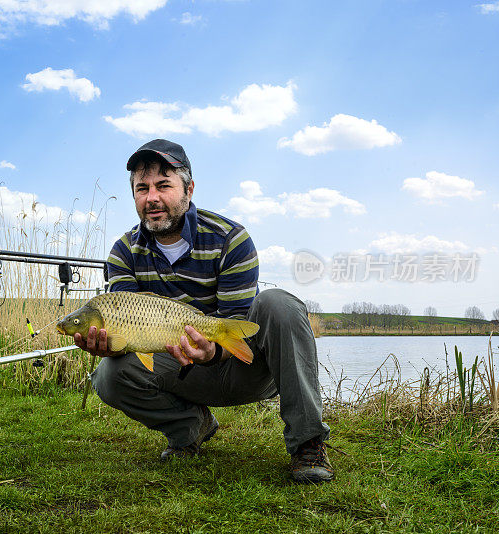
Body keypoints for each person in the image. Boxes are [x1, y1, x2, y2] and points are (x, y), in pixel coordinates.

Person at [73, 139, 334, 483]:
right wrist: (108, 343)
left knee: (278, 303)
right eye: (142, 188)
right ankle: (191, 427)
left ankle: (308, 443)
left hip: (247, 369)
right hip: (180, 367)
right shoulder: (124, 252)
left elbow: (237, 323)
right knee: (108, 374)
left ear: (189, 189)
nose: (152, 198)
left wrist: (212, 352)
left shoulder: (230, 238)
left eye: (163, 186)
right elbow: (126, 323)